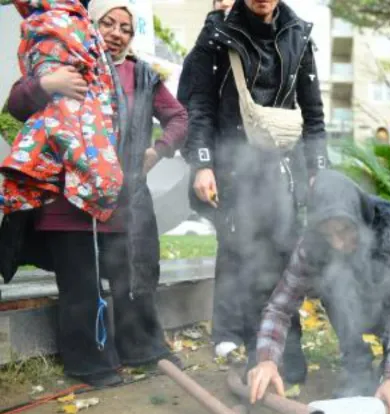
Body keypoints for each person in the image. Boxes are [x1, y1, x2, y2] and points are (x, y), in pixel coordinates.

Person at [2, 0, 187, 387]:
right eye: (108, 23)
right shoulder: (65, 60)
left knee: (130, 279)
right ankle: (90, 364)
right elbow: (17, 104)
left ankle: (141, 350)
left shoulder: (142, 75)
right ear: (90, 25)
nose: (116, 32)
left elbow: (179, 117)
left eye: (125, 27)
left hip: (119, 199)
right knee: (81, 287)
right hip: (64, 203)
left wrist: (157, 151)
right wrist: (48, 85)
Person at [182, 0, 328, 383]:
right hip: (235, 171)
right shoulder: (215, 38)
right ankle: (255, 354)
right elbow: (200, 107)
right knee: (244, 260)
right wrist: (202, 164)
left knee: (285, 259)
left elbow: (313, 113)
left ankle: (286, 352)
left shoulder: (300, 34)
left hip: (284, 171)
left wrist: (318, 169)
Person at [247, 170, 390, 414]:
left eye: (344, 230)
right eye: (328, 235)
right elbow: (279, 306)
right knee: (332, 280)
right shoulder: (312, 243)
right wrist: (266, 360)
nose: (338, 243)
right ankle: (356, 363)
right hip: (357, 303)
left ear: (358, 216)